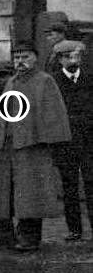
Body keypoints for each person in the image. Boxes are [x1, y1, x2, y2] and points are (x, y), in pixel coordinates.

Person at [0, 41, 71, 252]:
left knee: (31, 194)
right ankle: (4, 238)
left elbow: (54, 112)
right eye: (16, 58)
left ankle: (29, 238)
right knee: (2, 192)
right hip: (8, 145)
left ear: (35, 58)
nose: (20, 62)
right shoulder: (11, 81)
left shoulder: (45, 81)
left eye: (25, 57)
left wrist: (48, 139)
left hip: (32, 145)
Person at [50, 40, 93, 241]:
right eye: (68, 57)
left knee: (91, 184)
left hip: (89, 141)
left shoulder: (89, 78)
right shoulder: (53, 82)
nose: (73, 60)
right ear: (60, 60)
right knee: (69, 186)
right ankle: (74, 229)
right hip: (65, 142)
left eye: (76, 56)